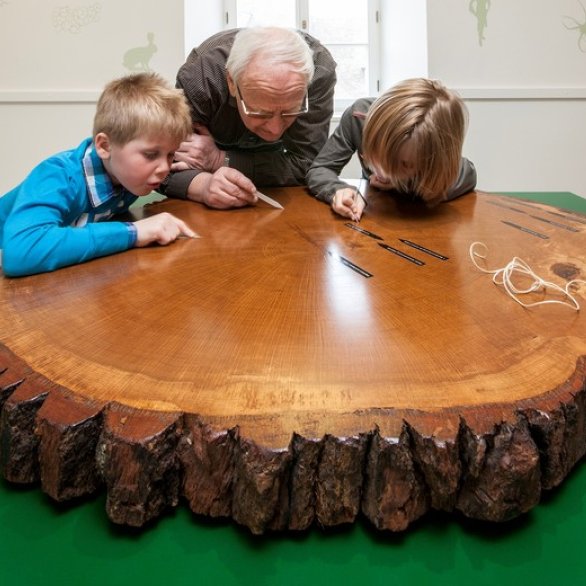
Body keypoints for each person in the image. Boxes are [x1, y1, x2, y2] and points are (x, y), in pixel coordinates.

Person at [0, 73, 196, 278]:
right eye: (150, 154)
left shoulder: (126, 176)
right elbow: (19, 253)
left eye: (170, 154)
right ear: (104, 146)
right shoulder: (58, 176)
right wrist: (133, 233)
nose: (165, 167)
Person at [160, 26, 336, 209]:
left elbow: (310, 164)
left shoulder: (319, 70)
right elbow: (158, 164)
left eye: (290, 111)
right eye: (261, 112)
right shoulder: (202, 77)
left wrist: (220, 160)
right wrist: (203, 185)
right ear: (231, 83)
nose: (275, 129)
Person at [306, 78, 477, 222]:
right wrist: (336, 189)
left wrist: (405, 184)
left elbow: (469, 175)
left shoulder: (443, 162)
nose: (382, 171)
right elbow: (320, 168)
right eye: (377, 154)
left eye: (404, 164)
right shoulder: (359, 116)